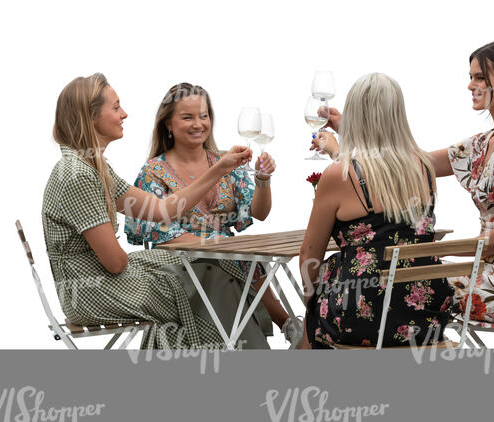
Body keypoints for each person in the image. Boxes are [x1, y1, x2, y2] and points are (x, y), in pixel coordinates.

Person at [312, 41, 494, 343]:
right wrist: (352, 130)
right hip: (487, 270)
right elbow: (407, 164)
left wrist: (427, 251)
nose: (470, 85)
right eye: (471, 76)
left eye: (481, 77)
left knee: (397, 285)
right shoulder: (487, 142)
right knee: (394, 280)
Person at [42, 73, 269, 350]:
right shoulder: (78, 175)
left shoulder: (93, 166)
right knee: (204, 281)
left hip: (104, 282)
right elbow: (116, 263)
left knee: (207, 270)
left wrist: (220, 168)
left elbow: (162, 210)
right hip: (92, 292)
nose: (124, 114)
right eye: (115, 107)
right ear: (89, 117)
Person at [123, 83, 303, 348]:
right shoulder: (153, 172)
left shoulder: (224, 160)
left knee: (249, 262)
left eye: (204, 115)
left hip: (234, 260)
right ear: (168, 124)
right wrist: (219, 248)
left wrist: (263, 179)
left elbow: (258, 213)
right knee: (231, 267)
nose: (199, 124)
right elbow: (162, 235)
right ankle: (286, 327)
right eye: (188, 117)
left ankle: (290, 327)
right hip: (183, 265)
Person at [300, 73, 454, 349]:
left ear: (355, 118)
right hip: (426, 314)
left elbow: (309, 255)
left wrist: (310, 301)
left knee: (313, 307)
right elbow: (381, 171)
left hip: (362, 315)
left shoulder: (338, 175)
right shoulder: (424, 167)